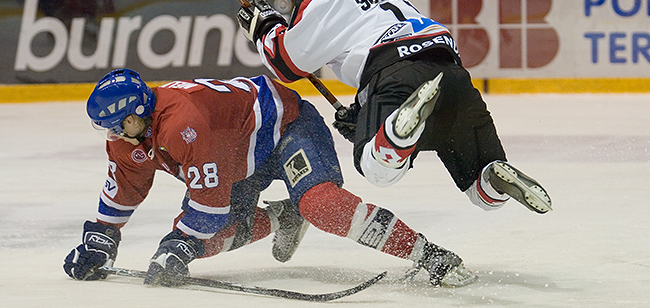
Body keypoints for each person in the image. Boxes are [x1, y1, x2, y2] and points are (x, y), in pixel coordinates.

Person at [64, 68, 477, 287]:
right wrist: (102, 238)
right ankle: (283, 217)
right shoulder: (130, 136)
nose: (114, 135)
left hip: (287, 129)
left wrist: (179, 241)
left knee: (322, 205)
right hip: (239, 153)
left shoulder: (179, 125)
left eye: (118, 125)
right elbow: (126, 187)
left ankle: (429, 255)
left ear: (137, 115)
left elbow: (209, 202)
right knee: (204, 246)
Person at [236, 0, 552, 215]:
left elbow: (287, 64)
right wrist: (362, 114)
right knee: (481, 194)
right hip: (452, 74)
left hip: (395, 73)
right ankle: (492, 175)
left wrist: (263, 28)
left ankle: (396, 136)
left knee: (374, 166)